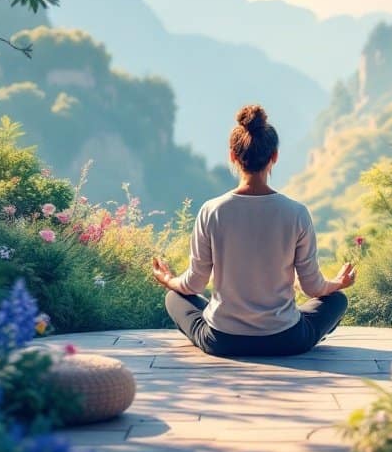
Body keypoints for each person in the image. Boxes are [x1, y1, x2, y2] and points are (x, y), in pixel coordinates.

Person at [152, 104, 355, 358]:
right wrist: (337, 283)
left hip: (223, 340)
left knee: (174, 297)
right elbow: (313, 288)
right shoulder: (296, 213)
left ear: (232, 157)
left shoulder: (212, 211)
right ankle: (298, 328)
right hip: (285, 339)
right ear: (274, 157)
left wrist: (168, 279)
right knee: (337, 301)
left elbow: (194, 285)